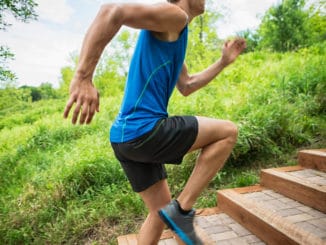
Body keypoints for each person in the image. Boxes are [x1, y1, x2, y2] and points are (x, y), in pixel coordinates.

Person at [63, 0, 246, 244]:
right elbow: (111, 11)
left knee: (158, 212)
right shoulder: (176, 16)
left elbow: (187, 85)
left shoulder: (175, 32)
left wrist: (223, 62)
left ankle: (176, 214)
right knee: (227, 132)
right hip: (144, 130)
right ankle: (181, 211)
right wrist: (83, 76)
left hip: (124, 138)